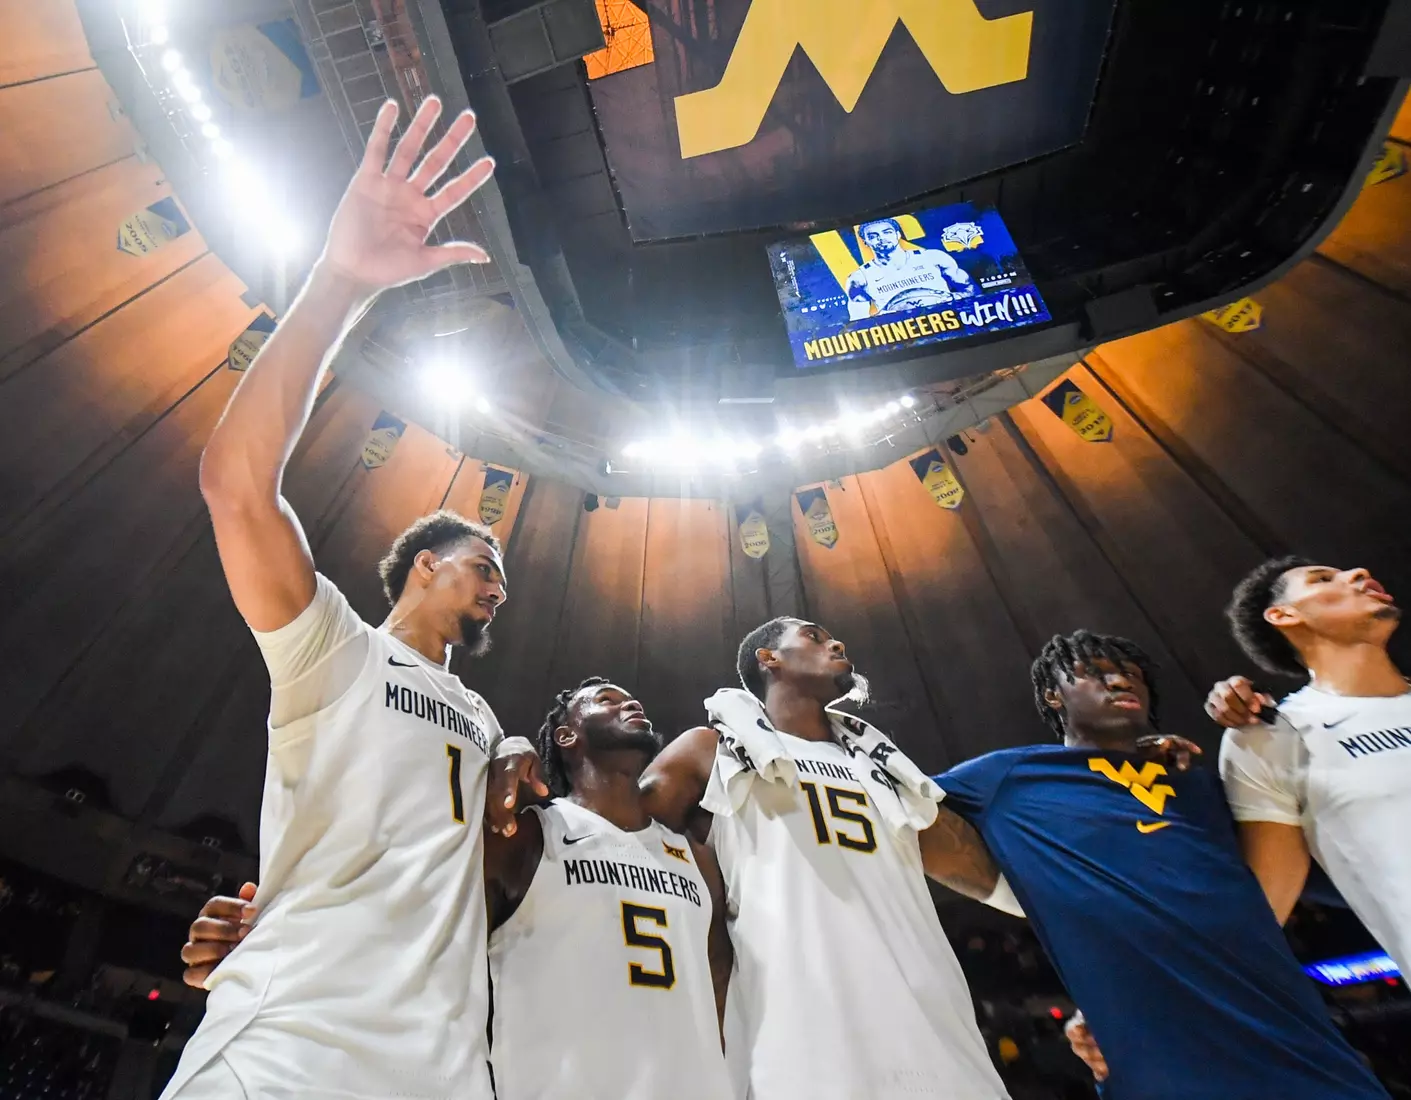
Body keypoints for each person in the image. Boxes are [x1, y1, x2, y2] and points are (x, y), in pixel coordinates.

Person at [162, 96, 546, 1100]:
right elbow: (236, 489)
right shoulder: (335, 646)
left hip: (446, 1067)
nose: (498, 583)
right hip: (289, 1047)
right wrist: (339, 281)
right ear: (424, 563)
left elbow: (489, 883)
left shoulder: (485, 720)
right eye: (480, 563)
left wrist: (510, 765)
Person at [181, 679, 733, 1100]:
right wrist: (272, 938)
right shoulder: (527, 837)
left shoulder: (694, 855)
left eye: (629, 698)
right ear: (568, 736)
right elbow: (407, 918)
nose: (629, 702)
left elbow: (720, 979)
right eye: (608, 699)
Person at [934, 629, 1388, 1100]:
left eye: (1131, 675)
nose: (1119, 681)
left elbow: (1281, 873)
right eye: (1094, 673)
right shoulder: (1007, 777)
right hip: (1161, 1063)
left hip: (1301, 1043)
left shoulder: (1203, 783)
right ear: (1054, 694)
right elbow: (904, 810)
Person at [641, 617, 1019, 1100]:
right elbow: (620, 838)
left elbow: (984, 873)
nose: (836, 641)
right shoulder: (713, 748)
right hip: (797, 1042)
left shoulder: (889, 771)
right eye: (814, 637)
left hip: (933, 1024)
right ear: (768, 658)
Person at [1201, 557, 1409, 968]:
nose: (1360, 573)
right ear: (1283, 615)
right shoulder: (1271, 734)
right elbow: (1263, 911)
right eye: (1323, 579)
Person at [845, 218, 973, 319]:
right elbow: (858, 320)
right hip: (904, 332)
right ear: (866, 242)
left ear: (897, 234)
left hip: (947, 319)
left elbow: (969, 290)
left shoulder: (933, 257)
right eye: (873, 236)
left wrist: (950, 301)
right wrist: (884, 317)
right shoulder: (859, 278)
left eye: (887, 232)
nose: (881, 238)